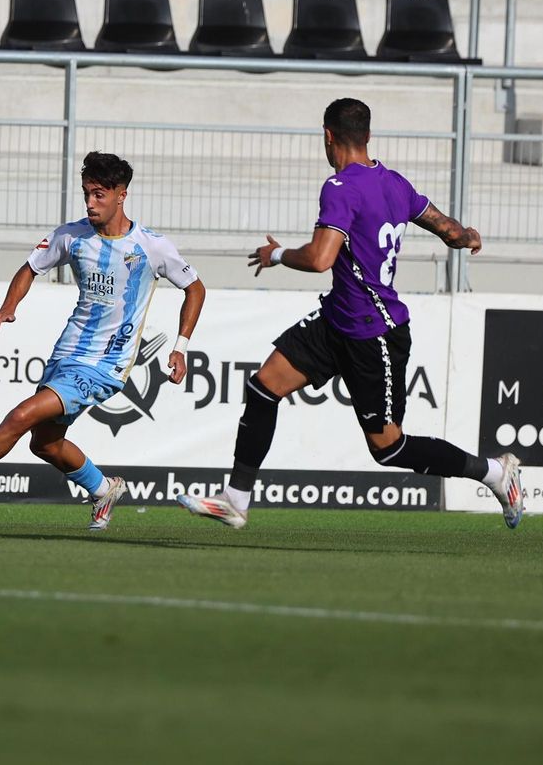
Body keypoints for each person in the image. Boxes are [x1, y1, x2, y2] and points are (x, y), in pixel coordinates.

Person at [176, 98, 524, 530]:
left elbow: (320, 258)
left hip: (373, 333)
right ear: (368, 136)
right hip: (336, 320)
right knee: (264, 387)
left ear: (327, 136)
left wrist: (277, 254)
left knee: (389, 448)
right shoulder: (395, 183)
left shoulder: (340, 187)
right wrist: (468, 235)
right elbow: (448, 231)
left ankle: (494, 472)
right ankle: (235, 499)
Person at [0, 151, 206, 531]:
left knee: (21, 416)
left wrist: (180, 347)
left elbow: (195, 288)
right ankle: (103, 489)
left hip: (105, 365)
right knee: (44, 443)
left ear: (121, 195)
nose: (90, 203)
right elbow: (30, 268)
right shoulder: (71, 236)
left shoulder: (150, 246)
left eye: (99, 195)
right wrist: (8, 307)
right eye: (87, 193)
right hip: (66, 355)